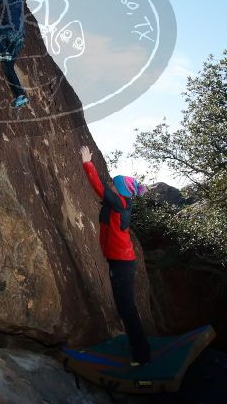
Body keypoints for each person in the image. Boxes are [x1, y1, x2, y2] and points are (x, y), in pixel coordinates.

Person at [80, 144, 151, 366]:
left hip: (122, 263)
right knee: (125, 306)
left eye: (114, 183)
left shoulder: (120, 203)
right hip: (119, 261)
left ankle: (142, 355)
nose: (111, 183)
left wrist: (87, 162)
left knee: (126, 307)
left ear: (120, 189)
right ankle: (139, 348)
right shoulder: (119, 203)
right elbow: (105, 200)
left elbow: (100, 188)